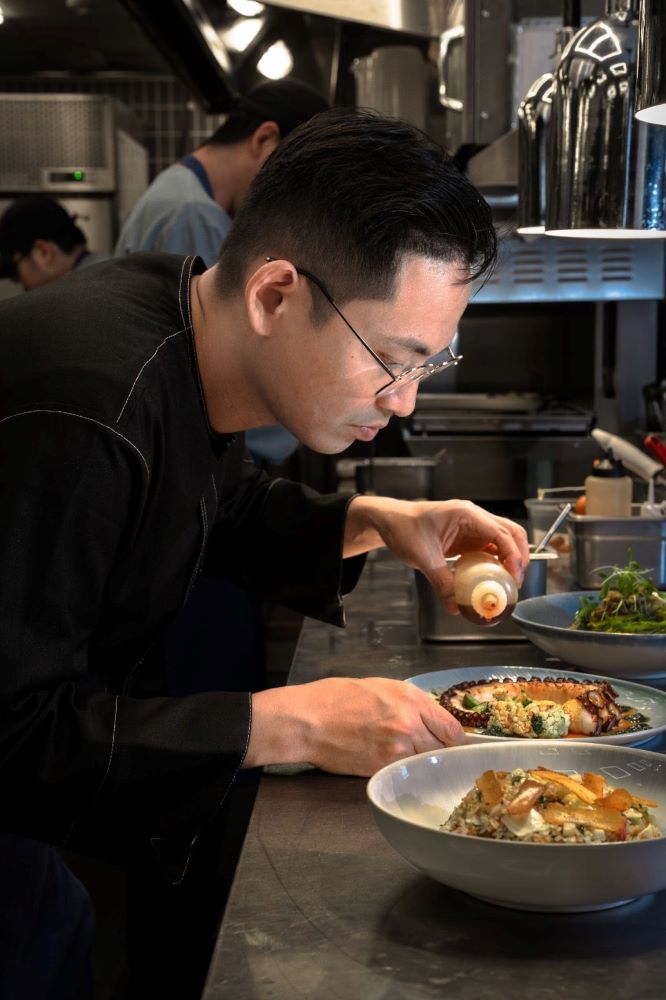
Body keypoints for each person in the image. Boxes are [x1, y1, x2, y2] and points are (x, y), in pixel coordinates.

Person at [0, 108, 528, 996]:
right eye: (391, 360)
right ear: (276, 295)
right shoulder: (88, 409)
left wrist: (372, 519)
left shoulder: (183, 321)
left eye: (427, 367)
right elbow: (13, 736)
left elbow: (218, 506)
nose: (402, 404)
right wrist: (293, 721)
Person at [0, 194, 106, 291]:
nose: (23, 286)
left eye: (15, 274)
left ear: (43, 252)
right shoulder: (112, 271)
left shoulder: (85, 297)